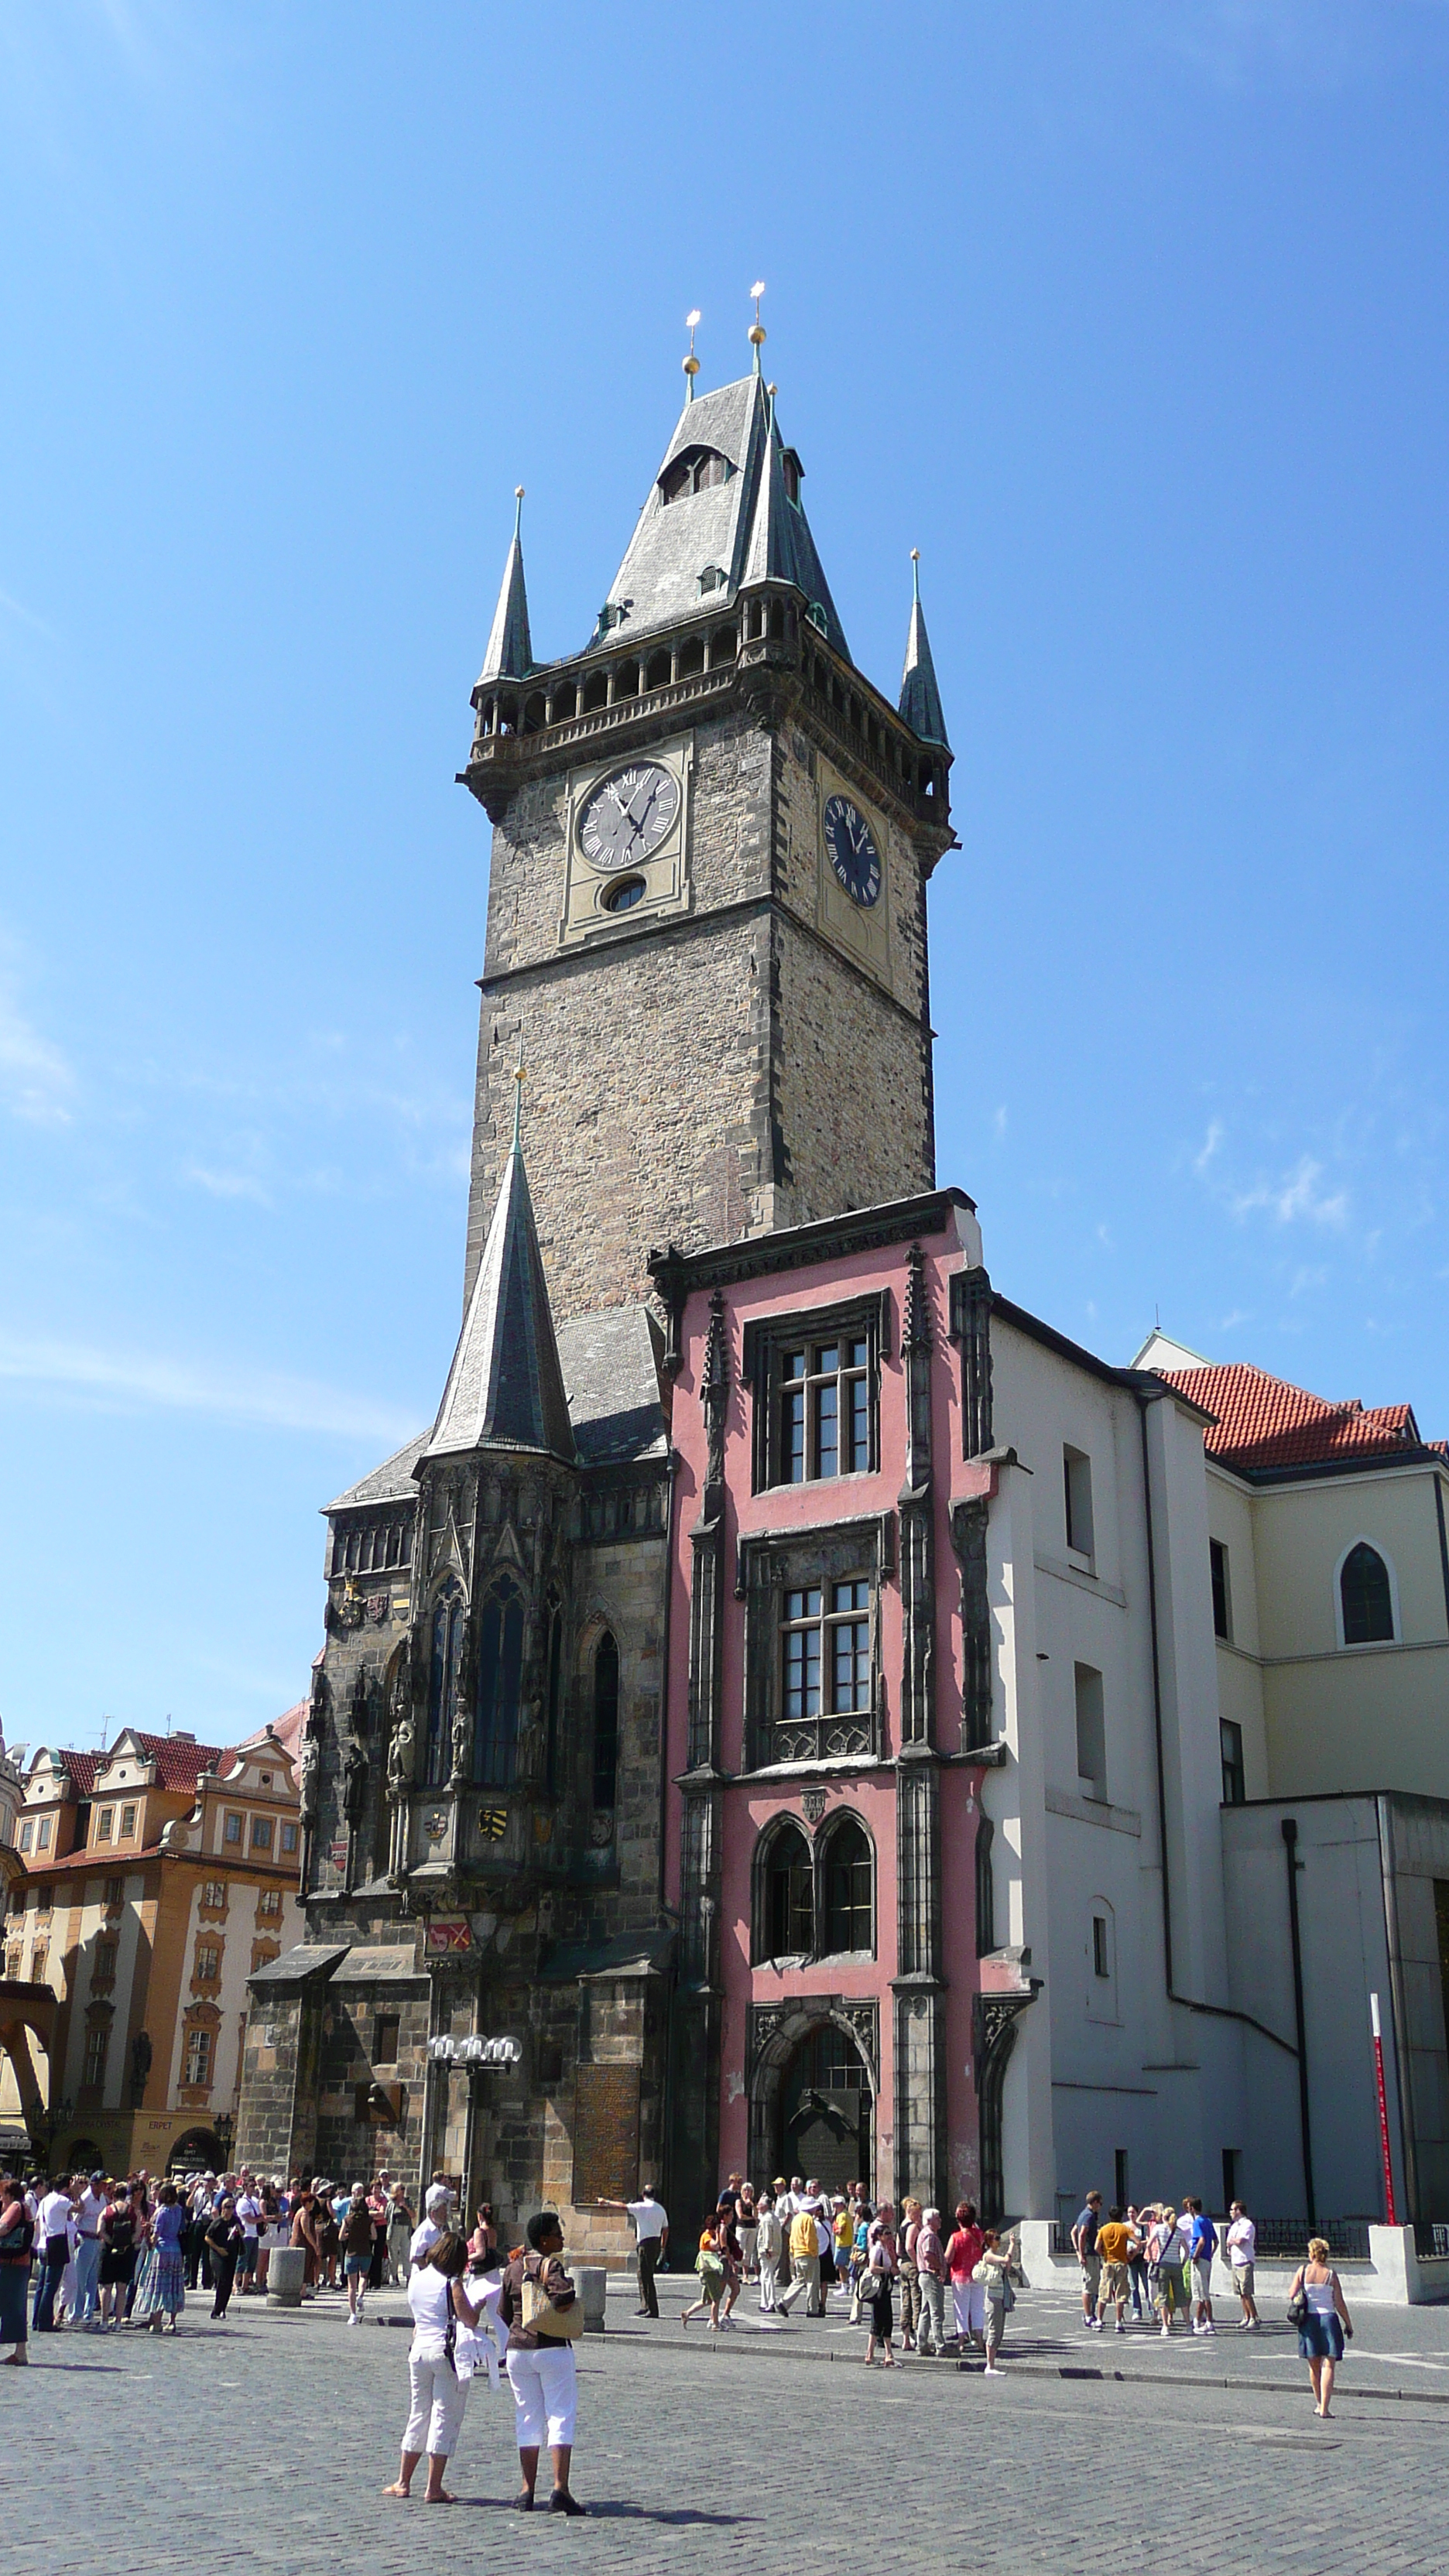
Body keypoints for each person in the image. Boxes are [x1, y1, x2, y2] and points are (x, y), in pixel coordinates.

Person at [383, 2230, 486, 2504]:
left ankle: (403, 2481)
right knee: (443, 2414)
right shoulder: (451, 2282)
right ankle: (434, 2486)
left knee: (419, 2413)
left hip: (419, 2350)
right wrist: (479, 2303)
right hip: (444, 2351)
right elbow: (469, 2319)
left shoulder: (417, 2279)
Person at [498, 2210, 585, 2516]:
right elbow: (564, 2297)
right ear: (545, 2239)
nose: (562, 2238)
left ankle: (526, 2490)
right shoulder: (552, 2265)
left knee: (527, 2417)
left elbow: (503, 2311)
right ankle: (560, 2488)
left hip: (517, 2350)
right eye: (557, 2233)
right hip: (551, 2347)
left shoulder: (513, 2268)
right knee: (560, 2414)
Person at [1291, 2236, 1353, 2418]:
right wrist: (1348, 2324)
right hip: (1329, 2320)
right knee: (1329, 2364)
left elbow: (1292, 2293)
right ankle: (1325, 2408)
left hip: (1308, 2320)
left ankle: (1318, 2403)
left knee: (1314, 2365)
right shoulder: (1331, 2274)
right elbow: (1339, 2302)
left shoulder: (1302, 2271)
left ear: (1311, 2253)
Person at [594, 2182, 668, 2319]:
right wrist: (663, 2247)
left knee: (647, 2276)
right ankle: (644, 2305)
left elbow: (622, 2206)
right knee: (641, 2274)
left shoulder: (641, 2207)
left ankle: (653, 2309)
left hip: (645, 2244)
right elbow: (666, 2229)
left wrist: (606, 2202)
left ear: (643, 2195)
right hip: (655, 2243)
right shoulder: (660, 2209)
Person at [130, 2180, 187, 2331]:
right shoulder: (178, 2210)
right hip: (176, 2249)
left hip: (162, 2251)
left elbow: (156, 2236)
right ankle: (172, 2321)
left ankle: (157, 2322)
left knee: (159, 2286)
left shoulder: (162, 2212)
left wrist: (148, 2234)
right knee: (174, 2286)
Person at [31, 2175, 74, 2334]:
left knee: (42, 2286)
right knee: (51, 2285)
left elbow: (37, 2223)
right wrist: (75, 2191)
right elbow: (79, 2208)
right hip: (56, 2242)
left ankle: (37, 2320)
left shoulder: (45, 2200)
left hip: (43, 2242)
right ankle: (45, 2322)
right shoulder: (61, 2200)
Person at [0, 2171, 34, 2364]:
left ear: (9, 2194)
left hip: (10, 2265)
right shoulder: (25, 2207)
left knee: (12, 2307)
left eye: (2, 2194)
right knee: (16, 2307)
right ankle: (20, 2352)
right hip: (19, 2264)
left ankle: (20, 2353)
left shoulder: (15, 2207)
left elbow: (3, 2228)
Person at [977, 2225, 1018, 2374]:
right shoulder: (988, 2256)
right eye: (997, 2238)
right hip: (993, 2298)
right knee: (994, 2331)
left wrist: (1009, 2253)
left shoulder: (997, 2255)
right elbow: (1006, 2259)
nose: (999, 2240)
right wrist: (1012, 2244)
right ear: (989, 2241)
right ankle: (990, 2365)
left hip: (1001, 2297)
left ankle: (992, 2364)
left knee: (999, 2332)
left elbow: (1007, 2267)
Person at [945, 2201, 985, 2350]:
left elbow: (948, 2257)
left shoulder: (955, 2237)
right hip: (977, 2275)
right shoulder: (980, 2235)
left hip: (960, 2275)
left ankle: (961, 2342)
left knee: (961, 2309)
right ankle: (980, 2340)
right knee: (977, 2308)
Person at [98, 2184, 136, 2328]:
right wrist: (126, 2244)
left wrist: (112, 2242)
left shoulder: (107, 2210)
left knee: (106, 2288)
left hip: (108, 2251)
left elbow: (100, 2230)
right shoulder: (132, 2211)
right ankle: (118, 2322)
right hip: (126, 2252)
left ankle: (104, 2321)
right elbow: (138, 2232)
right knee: (122, 2289)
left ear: (113, 2196)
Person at [863, 2207, 897, 2366]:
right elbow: (872, 2268)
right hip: (879, 2288)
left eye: (890, 2234)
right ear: (879, 2236)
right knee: (880, 2320)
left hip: (885, 2288)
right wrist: (888, 2270)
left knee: (883, 2320)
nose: (890, 2237)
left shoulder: (885, 2249)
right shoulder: (877, 2249)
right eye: (886, 2234)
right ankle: (876, 2354)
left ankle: (884, 2354)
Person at [1148, 2202, 1187, 2337]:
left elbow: (1149, 2244)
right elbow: (1186, 2250)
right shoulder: (1178, 2231)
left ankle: (1165, 2326)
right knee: (1180, 2295)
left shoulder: (1159, 2229)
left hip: (1163, 2264)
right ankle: (1188, 2324)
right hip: (1176, 2264)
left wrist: (1153, 2259)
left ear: (1164, 2217)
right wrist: (1183, 2262)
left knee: (1163, 2295)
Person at [1094, 2204, 1136, 2334]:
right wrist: (1131, 2256)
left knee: (1104, 2293)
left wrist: (1104, 2254)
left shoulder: (1104, 2229)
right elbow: (1138, 2242)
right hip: (1121, 2263)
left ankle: (1099, 2321)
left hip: (1108, 2262)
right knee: (1121, 2294)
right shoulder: (1124, 2229)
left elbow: (1097, 2247)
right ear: (1121, 2216)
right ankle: (1118, 2322)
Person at [71, 2171, 105, 2328]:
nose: (105, 2186)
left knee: (93, 2279)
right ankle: (76, 2313)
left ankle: (88, 2312)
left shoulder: (102, 2198)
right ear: (94, 2184)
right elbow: (76, 2221)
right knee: (80, 2279)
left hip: (97, 2241)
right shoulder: (85, 2198)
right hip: (85, 2239)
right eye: (103, 2183)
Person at [778, 2197, 822, 2314]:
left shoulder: (796, 2219)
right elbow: (810, 2238)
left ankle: (784, 2303)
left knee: (799, 2280)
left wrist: (792, 2252)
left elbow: (792, 2238)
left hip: (798, 2253)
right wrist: (814, 2252)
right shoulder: (808, 2219)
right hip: (808, 2253)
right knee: (812, 2282)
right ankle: (813, 2309)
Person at [681, 2215, 726, 2328]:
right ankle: (715, 2324)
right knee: (716, 2298)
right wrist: (718, 2234)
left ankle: (687, 2314)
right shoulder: (706, 2236)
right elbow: (716, 2246)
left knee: (706, 2300)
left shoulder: (709, 2235)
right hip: (709, 2272)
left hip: (709, 2272)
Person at [205, 2194, 244, 2321]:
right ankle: (216, 2309)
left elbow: (243, 2233)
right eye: (228, 2207)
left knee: (228, 2283)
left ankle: (222, 2309)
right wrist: (218, 2249)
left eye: (232, 2207)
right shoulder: (218, 2222)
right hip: (218, 2254)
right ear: (222, 2208)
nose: (230, 2210)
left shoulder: (235, 2221)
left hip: (231, 2253)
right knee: (221, 2279)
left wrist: (239, 2229)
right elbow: (207, 2238)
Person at [915, 2204, 947, 2355]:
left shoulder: (924, 2233)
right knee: (936, 2312)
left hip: (924, 2276)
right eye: (937, 2218)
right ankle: (940, 2345)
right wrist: (940, 2266)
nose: (940, 2220)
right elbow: (928, 2255)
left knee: (926, 2311)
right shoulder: (930, 2235)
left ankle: (922, 2344)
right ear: (929, 2221)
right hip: (930, 2276)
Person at [341, 2183, 375, 2324]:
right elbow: (374, 2237)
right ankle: (361, 2296)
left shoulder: (347, 2219)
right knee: (364, 2276)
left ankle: (353, 2314)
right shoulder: (369, 2220)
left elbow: (341, 2237)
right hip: (366, 2251)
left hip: (351, 2252)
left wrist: (349, 2235)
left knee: (351, 2285)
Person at [1072, 2189, 1103, 2332]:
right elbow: (1082, 2234)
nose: (1100, 2206)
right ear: (1095, 2202)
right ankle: (1088, 2315)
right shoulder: (1089, 2216)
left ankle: (1090, 2314)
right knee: (1089, 2286)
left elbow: (1074, 2232)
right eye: (1100, 2203)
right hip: (1090, 2254)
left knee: (1093, 2285)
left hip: (1089, 2254)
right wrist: (1081, 2253)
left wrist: (1078, 2251)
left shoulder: (1084, 2215)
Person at [1226, 2200, 1259, 2329]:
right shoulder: (1234, 2226)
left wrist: (1232, 2241)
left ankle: (1254, 2318)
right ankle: (1246, 2317)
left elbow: (1240, 2241)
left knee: (1247, 2291)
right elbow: (1229, 2241)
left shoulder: (1247, 2225)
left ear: (1238, 2211)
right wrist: (1231, 2243)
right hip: (1235, 2261)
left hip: (1245, 2260)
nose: (1230, 2212)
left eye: (1232, 2210)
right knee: (1240, 2292)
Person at [1187, 2198, 1218, 2334]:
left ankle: (1209, 2322)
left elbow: (1202, 2241)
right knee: (1199, 2293)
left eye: (1189, 2208)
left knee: (1204, 2293)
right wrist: (1210, 2254)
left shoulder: (1197, 2222)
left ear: (1193, 2209)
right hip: (1207, 2260)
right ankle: (1197, 2320)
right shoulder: (1208, 2221)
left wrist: (1196, 2255)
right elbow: (1215, 2241)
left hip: (1199, 2260)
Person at [897, 2197, 922, 2352]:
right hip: (912, 2265)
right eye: (918, 2214)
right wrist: (917, 2263)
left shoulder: (901, 2226)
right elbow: (908, 2247)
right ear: (911, 2213)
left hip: (903, 2266)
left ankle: (906, 2339)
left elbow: (899, 2249)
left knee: (906, 2302)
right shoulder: (912, 2227)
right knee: (916, 2301)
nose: (919, 2217)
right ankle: (919, 2337)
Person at [409, 2182, 452, 2271]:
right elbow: (415, 2257)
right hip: (422, 2278)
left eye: (446, 2212)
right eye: (443, 2212)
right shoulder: (424, 2231)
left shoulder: (440, 2229)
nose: (446, 2215)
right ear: (433, 2213)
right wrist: (431, 2271)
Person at [755, 2191, 782, 2315]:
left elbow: (767, 2236)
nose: (757, 2206)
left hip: (768, 2252)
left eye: (760, 2204)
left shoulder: (766, 2219)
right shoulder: (773, 2217)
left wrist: (766, 2249)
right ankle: (764, 2302)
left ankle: (770, 2302)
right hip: (775, 2250)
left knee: (767, 2277)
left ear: (765, 2206)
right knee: (765, 2276)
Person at [386, 2184, 415, 2285]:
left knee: (406, 2253)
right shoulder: (391, 2203)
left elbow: (413, 2215)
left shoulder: (408, 2201)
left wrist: (405, 2207)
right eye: (400, 2189)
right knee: (393, 2254)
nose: (402, 2191)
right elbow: (387, 2217)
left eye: (403, 2189)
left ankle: (408, 2276)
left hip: (405, 2228)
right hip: (394, 2228)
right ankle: (394, 2277)